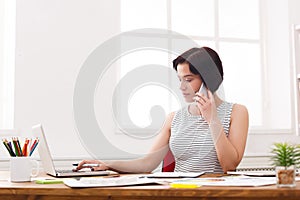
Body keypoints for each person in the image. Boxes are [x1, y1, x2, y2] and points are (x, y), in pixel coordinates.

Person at [75, 47, 249, 173]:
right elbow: (147, 164)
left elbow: (229, 165)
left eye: (188, 79)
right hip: (178, 193)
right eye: (179, 79)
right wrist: (109, 164)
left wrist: (212, 120)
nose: (181, 86)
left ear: (209, 80)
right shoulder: (174, 118)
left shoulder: (236, 112)